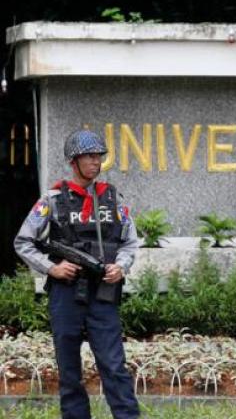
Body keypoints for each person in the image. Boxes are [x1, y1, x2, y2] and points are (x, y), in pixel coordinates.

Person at [14, 129, 141, 419]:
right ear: (74, 161)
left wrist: (120, 266)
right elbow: (23, 242)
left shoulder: (114, 199)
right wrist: (52, 267)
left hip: (103, 294)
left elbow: (129, 242)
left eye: (99, 157)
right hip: (66, 293)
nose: (97, 162)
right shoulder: (53, 200)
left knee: (113, 366)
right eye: (90, 157)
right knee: (69, 370)